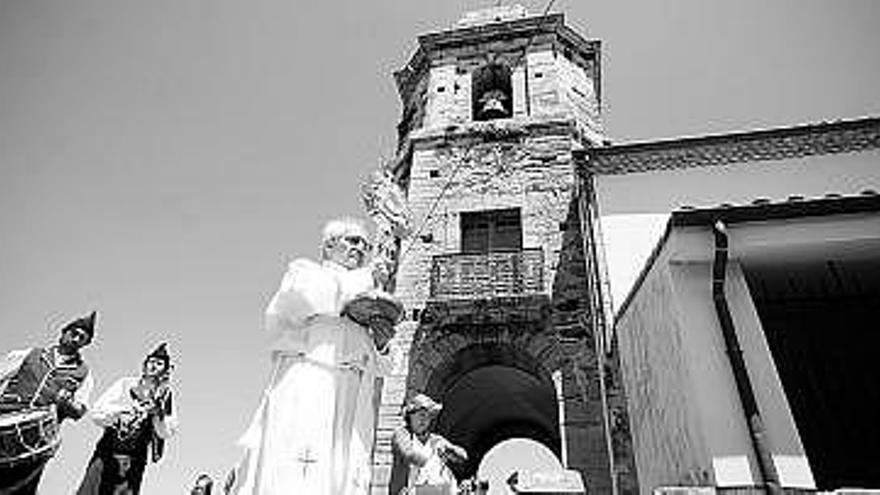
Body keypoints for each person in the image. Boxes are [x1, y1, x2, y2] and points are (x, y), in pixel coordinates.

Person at [230, 218, 401, 495]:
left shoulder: (364, 286)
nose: (360, 248)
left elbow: (385, 365)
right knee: (304, 466)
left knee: (346, 470)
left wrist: (381, 342)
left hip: (355, 393)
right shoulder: (305, 272)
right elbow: (309, 299)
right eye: (353, 240)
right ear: (329, 245)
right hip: (313, 380)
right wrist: (369, 283)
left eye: (366, 245)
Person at [0, 311, 97, 494]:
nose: (76, 339)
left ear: (86, 344)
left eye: (82, 338)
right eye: (73, 333)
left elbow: (79, 411)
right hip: (5, 419)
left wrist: (67, 404)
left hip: (37, 439)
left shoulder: (84, 374)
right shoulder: (28, 354)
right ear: (63, 332)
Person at [76, 343, 178, 495]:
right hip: (106, 455)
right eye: (151, 362)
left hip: (134, 462)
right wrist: (123, 410)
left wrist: (158, 413)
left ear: (165, 369)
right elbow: (97, 414)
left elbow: (166, 432)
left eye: (159, 363)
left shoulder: (165, 395)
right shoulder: (124, 383)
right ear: (144, 364)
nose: (153, 366)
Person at [389, 394, 468, 495]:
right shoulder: (402, 434)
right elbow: (408, 452)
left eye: (428, 416)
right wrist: (431, 462)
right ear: (410, 415)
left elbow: (463, 456)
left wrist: (451, 450)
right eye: (421, 415)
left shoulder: (436, 439)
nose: (424, 420)